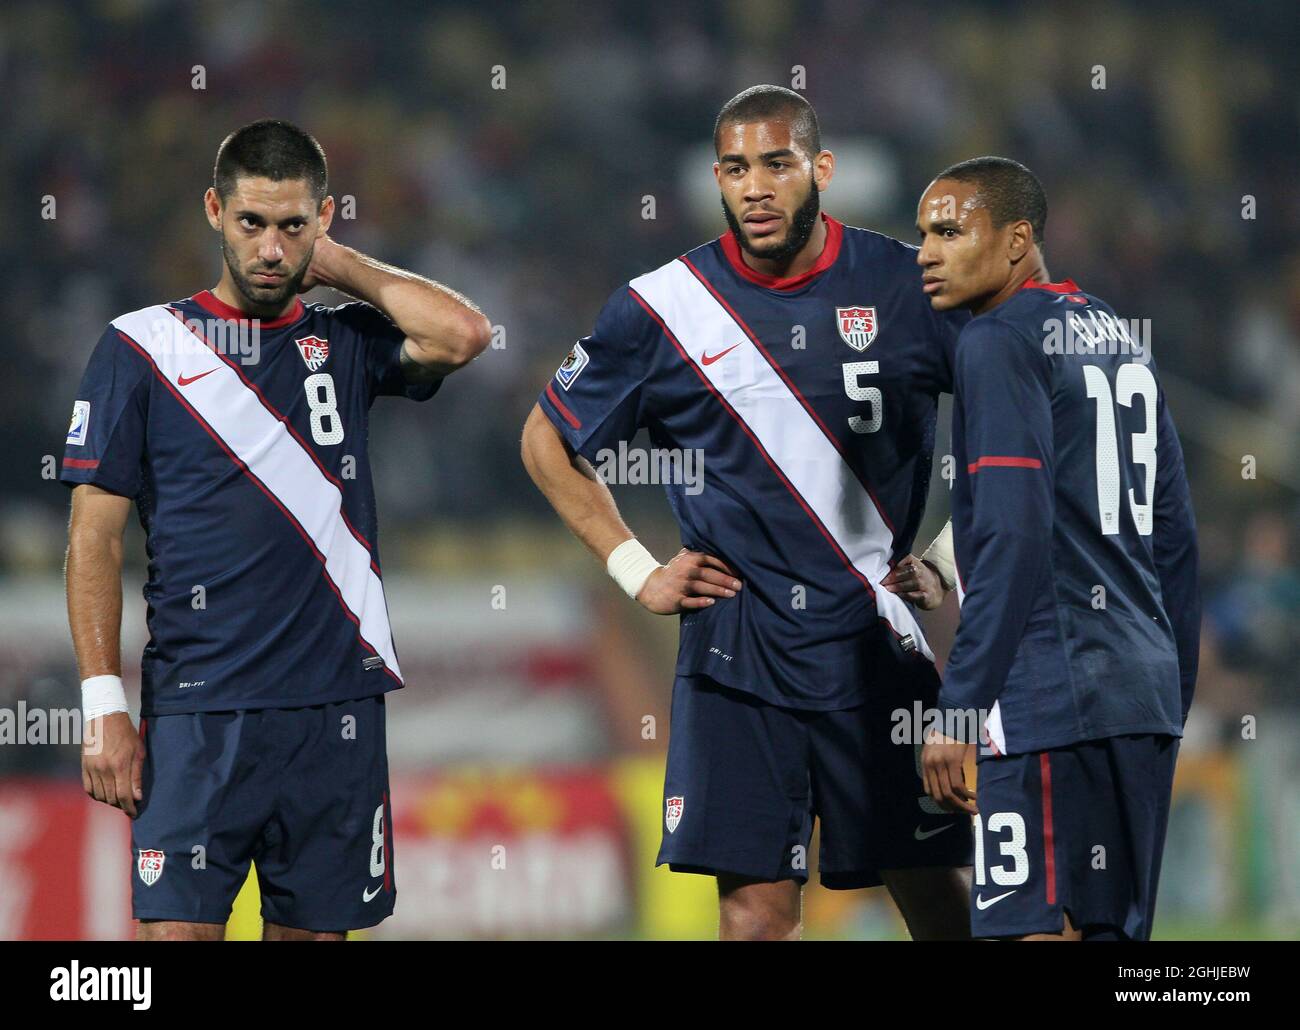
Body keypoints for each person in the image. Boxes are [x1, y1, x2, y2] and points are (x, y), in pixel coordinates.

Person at [521, 85, 973, 940]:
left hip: (871, 648)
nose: (755, 187)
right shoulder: (663, 308)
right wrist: (635, 567)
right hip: (736, 658)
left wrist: (948, 555)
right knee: (754, 920)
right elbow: (547, 441)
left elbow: (1013, 433)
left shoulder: (908, 284)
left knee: (938, 896)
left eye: (776, 163)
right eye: (735, 169)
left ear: (822, 170)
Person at [63, 119, 491, 940]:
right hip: (199, 711)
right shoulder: (141, 347)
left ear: (323, 222)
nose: (270, 248)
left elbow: (464, 335)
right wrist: (101, 705)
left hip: (335, 709)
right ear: (214, 210)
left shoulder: (346, 340)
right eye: (252, 222)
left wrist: (338, 267)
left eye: (293, 226)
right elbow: (93, 538)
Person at [912, 156, 1200, 940]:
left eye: (949, 231)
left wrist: (961, 708)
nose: (927, 252)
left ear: (1016, 242)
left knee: (1022, 931)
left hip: (1049, 695)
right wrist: (1173, 695)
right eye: (922, 235)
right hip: (1140, 700)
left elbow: (1015, 528)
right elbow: (1174, 536)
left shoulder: (996, 341)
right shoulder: (1118, 336)